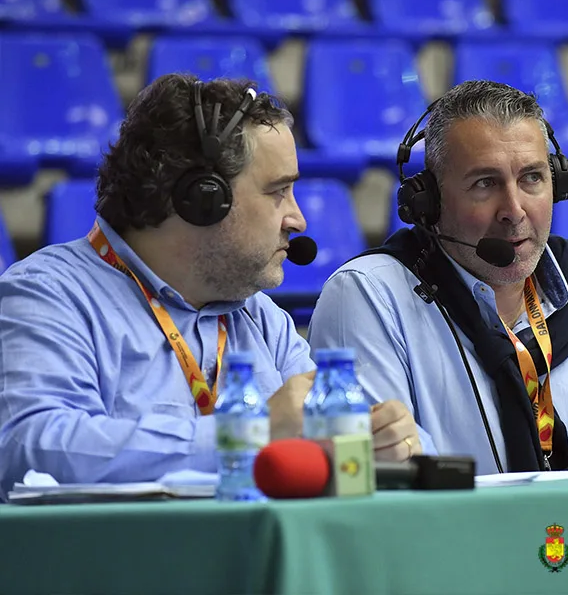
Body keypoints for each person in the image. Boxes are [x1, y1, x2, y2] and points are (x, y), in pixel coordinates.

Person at [0, 74, 415, 499]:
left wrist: (380, 444)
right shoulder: (46, 295)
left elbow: (325, 438)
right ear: (202, 200)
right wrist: (249, 433)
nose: (298, 219)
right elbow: (28, 446)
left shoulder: (263, 319)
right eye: (279, 191)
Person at [308, 80, 568, 475]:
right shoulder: (369, 297)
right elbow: (378, 478)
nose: (513, 210)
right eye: (485, 183)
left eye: (532, 178)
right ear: (430, 202)